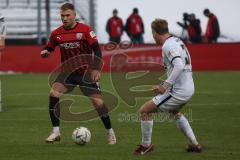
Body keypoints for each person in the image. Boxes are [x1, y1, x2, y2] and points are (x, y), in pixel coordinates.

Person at [40, 3, 116, 144]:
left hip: (85, 74)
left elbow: (97, 51)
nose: (65, 18)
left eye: (68, 15)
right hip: (67, 73)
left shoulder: (86, 30)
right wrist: (46, 51)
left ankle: (110, 132)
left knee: (97, 103)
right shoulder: (56, 33)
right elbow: (50, 46)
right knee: (53, 94)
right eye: (62, 16)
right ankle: (55, 131)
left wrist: (96, 69)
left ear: (74, 15)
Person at [133, 19, 202, 155]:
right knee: (174, 112)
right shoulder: (177, 40)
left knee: (145, 111)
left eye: (152, 33)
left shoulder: (168, 46)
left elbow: (179, 65)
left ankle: (146, 146)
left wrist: (164, 86)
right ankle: (194, 144)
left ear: (155, 32)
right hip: (187, 87)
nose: (152, 37)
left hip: (178, 91)